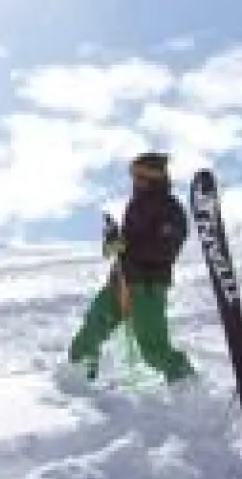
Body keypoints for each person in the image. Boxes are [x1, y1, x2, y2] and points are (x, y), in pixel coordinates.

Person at [69, 152, 196, 384]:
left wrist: (126, 246)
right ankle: (78, 380)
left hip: (147, 286)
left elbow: (165, 250)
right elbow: (116, 250)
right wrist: (112, 240)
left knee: (153, 350)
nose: (134, 180)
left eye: (138, 175)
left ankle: (187, 383)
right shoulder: (135, 205)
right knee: (93, 327)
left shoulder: (171, 209)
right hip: (120, 281)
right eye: (133, 175)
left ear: (153, 176)